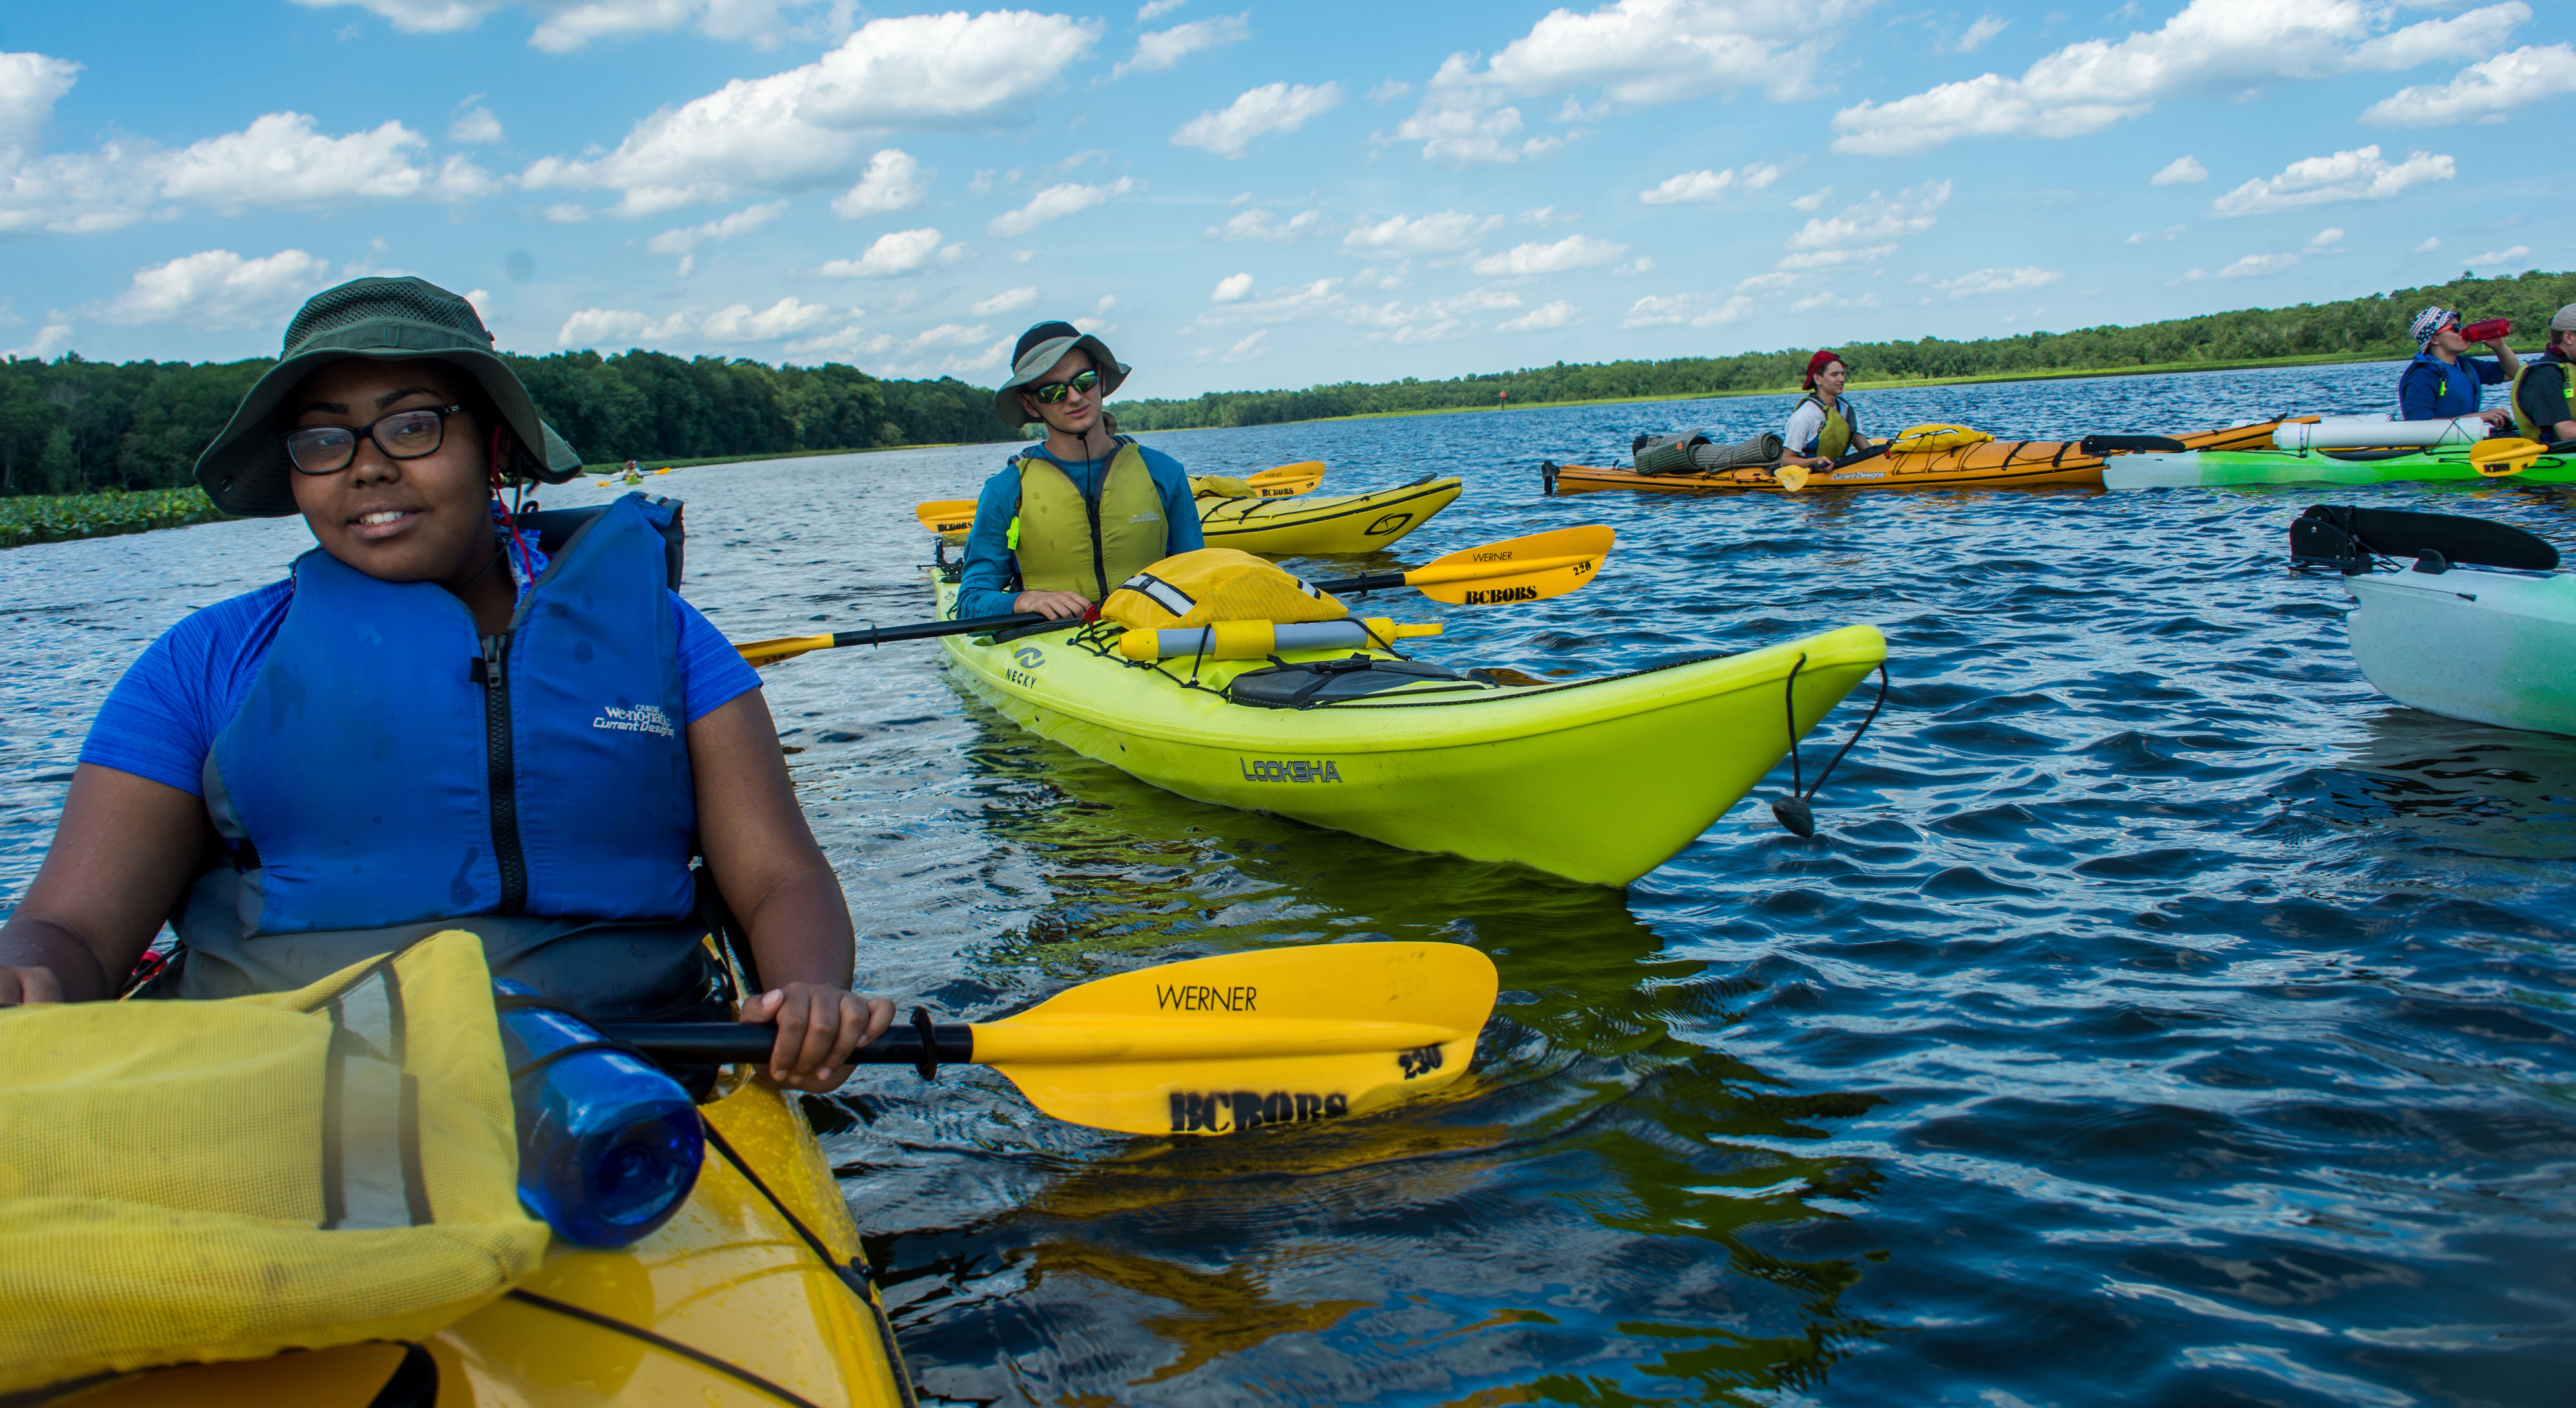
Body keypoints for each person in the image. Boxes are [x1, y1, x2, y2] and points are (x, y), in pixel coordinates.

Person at [0, 277, 891, 1091]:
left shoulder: (669, 640)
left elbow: (779, 876)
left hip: (625, 1080)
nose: (369, 464)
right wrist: (28, 975)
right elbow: (75, 928)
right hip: (274, 1098)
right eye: (323, 438)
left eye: (413, 424)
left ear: (492, 444)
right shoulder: (205, 659)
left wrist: (809, 991)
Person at [954, 321, 1204, 622]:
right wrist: (1025, 600)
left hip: (1152, 637)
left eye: (1083, 381)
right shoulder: (1005, 490)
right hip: (1051, 646)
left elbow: (1198, 576)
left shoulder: (1164, 472)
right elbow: (970, 602)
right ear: (1029, 403)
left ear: (1099, 377)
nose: (1074, 398)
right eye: (1052, 392)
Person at [2398, 305, 2519, 426]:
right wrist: (2480, 417)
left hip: (2463, 441)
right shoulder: (2422, 376)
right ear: (2435, 339)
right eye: (2456, 328)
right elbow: (2420, 425)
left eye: (2461, 326)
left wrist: (2499, 346)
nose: (2462, 331)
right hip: (2435, 445)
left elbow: (2512, 373)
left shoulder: (2465, 365)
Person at [1783, 350, 1875, 468]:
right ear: (1818, 379)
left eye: (1842, 374)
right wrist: (1816, 462)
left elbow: (1864, 448)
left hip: (1837, 469)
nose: (1842, 379)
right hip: (1811, 473)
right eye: (1835, 375)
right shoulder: (1804, 416)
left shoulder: (1846, 409)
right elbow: (1786, 461)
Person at [2511, 303, 2576, 444]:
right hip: (2553, 460)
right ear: (2569, 337)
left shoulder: (2571, 368)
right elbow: (2567, 433)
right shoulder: (2544, 375)